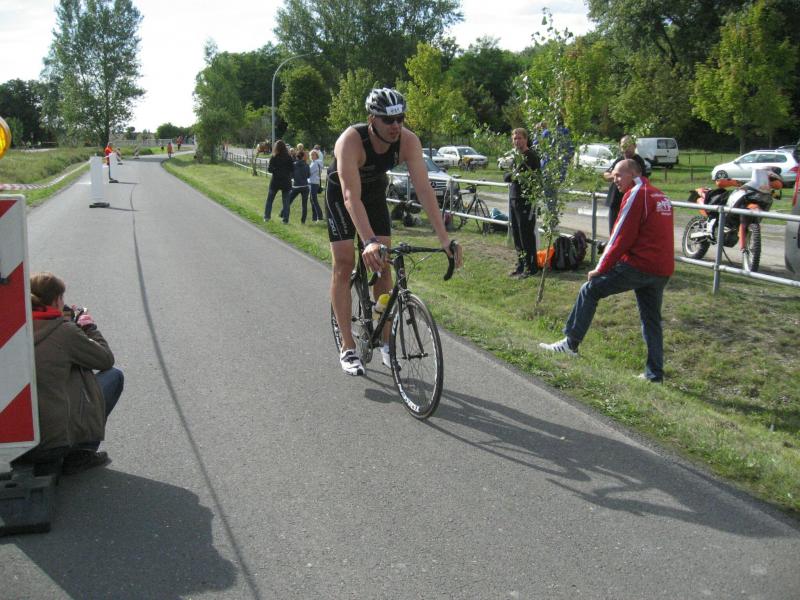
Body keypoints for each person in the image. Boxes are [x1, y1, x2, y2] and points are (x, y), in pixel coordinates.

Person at [327, 87, 462, 375]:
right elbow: (350, 196)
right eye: (388, 120)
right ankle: (348, 346)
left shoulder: (408, 141)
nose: (395, 125)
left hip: (374, 191)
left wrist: (444, 239)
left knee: (384, 265)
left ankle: (386, 341)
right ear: (371, 119)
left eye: (400, 118)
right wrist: (368, 241)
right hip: (342, 193)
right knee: (344, 263)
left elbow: (424, 190)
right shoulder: (351, 140)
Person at [539, 159, 674, 383]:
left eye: (619, 175)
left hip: (640, 265)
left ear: (633, 174)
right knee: (651, 320)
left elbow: (620, 236)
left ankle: (570, 344)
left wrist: (601, 267)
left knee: (590, 289)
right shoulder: (659, 195)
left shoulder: (636, 194)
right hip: (661, 269)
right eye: (613, 176)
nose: (615, 180)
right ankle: (654, 374)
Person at [17, 272, 124, 475]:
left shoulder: (13, 330)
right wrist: (88, 327)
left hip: (12, 446)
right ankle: (81, 452)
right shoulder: (64, 331)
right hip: (50, 446)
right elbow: (104, 359)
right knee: (112, 375)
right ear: (56, 300)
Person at [504, 127, 541, 278]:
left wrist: (512, 175)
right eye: (515, 138)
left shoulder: (530, 156)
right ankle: (520, 265)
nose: (517, 141)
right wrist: (512, 175)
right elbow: (507, 176)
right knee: (517, 234)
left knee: (526, 234)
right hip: (514, 198)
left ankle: (531, 267)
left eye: (520, 138)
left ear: (526, 139)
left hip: (525, 200)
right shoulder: (516, 157)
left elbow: (516, 176)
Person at [604, 135, 648, 233]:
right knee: (613, 231)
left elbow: (641, 179)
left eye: (628, 145)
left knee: (627, 232)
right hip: (615, 201)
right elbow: (606, 175)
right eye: (623, 146)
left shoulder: (638, 161)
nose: (626, 148)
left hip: (630, 202)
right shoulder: (619, 160)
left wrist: (617, 175)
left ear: (634, 146)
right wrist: (617, 175)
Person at [263, 140, 293, 221]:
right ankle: (285, 220)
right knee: (286, 202)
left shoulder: (274, 157)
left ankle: (267, 217)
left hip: (275, 181)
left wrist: (276, 170)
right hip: (286, 181)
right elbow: (292, 169)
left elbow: (270, 169)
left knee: (270, 200)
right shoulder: (289, 157)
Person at [284, 150, 311, 223]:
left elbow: (291, 175)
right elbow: (308, 175)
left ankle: (282, 213)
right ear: (303, 157)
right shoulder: (307, 165)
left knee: (288, 201)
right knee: (304, 205)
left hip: (296, 186)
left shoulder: (294, 165)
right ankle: (303, 221)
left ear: (297, 156)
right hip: (305, 186)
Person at [308, 149, 324, 222]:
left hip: (313, 183)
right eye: (311, 155)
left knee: (313, 200)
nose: (312, 156)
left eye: (313, 155)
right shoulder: (315, 162)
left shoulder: (315, 163)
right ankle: (314, 218)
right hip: (314, 182)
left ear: (316, 156)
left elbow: (309, 172)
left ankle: (319, 217)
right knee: (312, 200)